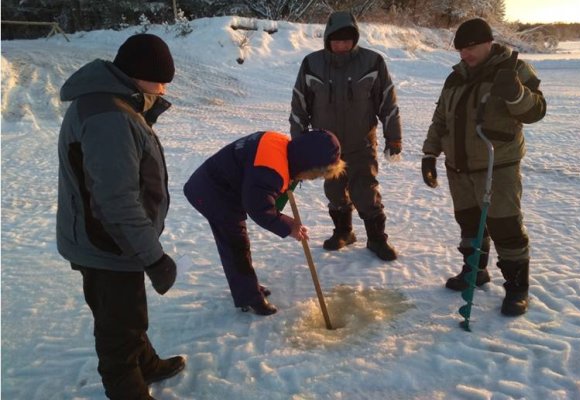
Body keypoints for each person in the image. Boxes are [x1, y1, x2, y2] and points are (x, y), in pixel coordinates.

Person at [56, 34, 185, 399]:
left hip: (107, 239)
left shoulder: (112, 104)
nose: (162, 88)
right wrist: (154, 258)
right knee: (119, 332)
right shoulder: (110, 117)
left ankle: (146, 363)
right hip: (108, 243)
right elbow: (116, 202)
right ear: (137, 73)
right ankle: (129, 385)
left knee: (124, 314)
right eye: (159, 80)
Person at [421, 18, 546, 316]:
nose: (465, 54)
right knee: (469, 224)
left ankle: (517, 287)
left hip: (496, 165)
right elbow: (441, 118)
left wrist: (515, 93)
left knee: (505, 226)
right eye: (461, 49)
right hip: (459, 167)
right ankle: (475, 270)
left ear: (489, 42)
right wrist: (430, 154)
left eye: (471, 47)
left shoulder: (513, 70)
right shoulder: (455, 77)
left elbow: (536, 111)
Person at [183, 129, 345, 315]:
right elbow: (259, 208)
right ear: (306, 164)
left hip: (221, 184)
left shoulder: (283, 147)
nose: (311, 180)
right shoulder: (270, 171)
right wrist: (288, 227)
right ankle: (249, 297)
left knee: (237, 243)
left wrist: (285, 216)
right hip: (212, 193)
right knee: (235, 244)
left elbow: (266, 193)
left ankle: (248, 288)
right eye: (314, 175)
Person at [289, 10, 402, 261]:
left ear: (355, 39)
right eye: (336, 40)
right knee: (335, 191)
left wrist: (393, 138)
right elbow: (299, 105)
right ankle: (343, 232)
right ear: (327, 39)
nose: (341, 45)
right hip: (326, 147)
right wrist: (299, 144)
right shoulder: (312, 63)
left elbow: (388, 102)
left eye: (347, 40)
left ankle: (376, 239)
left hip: (361, 142)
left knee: (366, 191)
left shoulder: (372, 62)